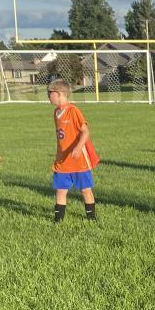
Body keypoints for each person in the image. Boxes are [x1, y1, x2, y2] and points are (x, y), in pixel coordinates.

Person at [47, 78, 100, 222]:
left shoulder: (73, 111)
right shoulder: (56, 112)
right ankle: (58, 220)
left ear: (59, 94)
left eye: (50, 93)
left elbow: (85, 131)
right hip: (62, 160)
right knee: (60, 190)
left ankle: (91, 218)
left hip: (78, 160)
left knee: (85, 189)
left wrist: (78, 148)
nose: (48, 96)